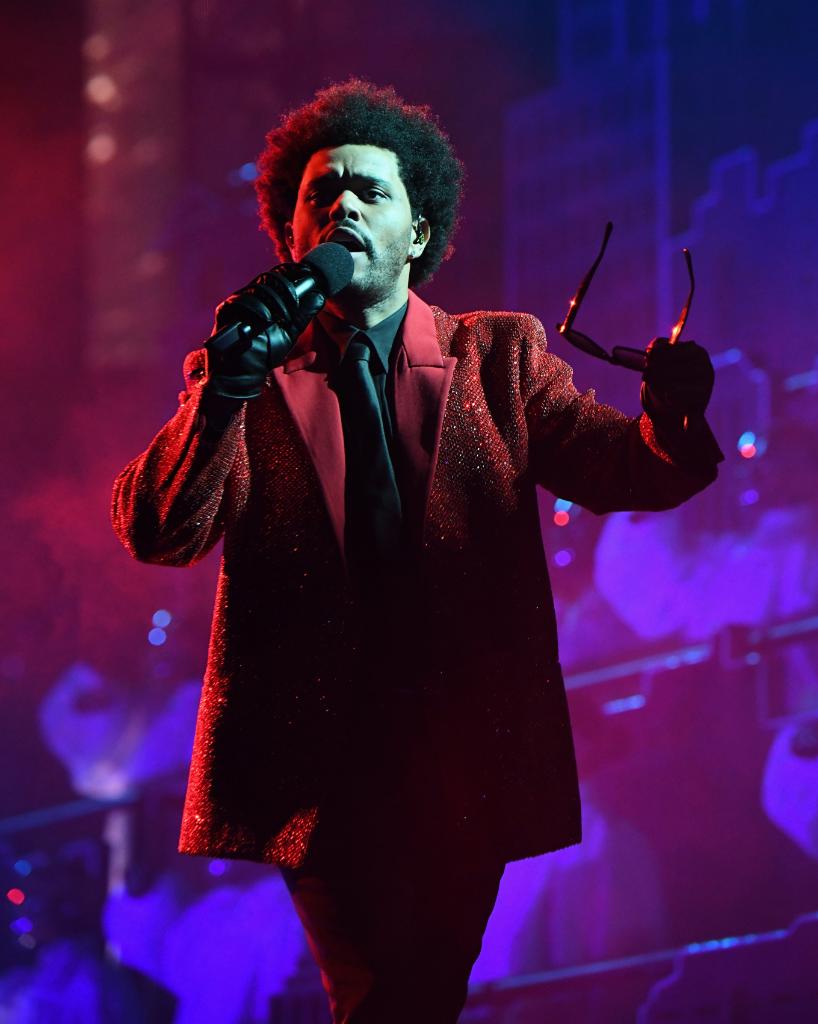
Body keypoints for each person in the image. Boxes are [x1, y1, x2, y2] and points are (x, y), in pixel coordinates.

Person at [112, 79, 723, 1023]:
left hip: (462, 753)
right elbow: (159, 530)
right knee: (380, 993)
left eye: (370, 190)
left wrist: (673, 416)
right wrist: (224, 387)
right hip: (316, 766)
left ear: (418, 233)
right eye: (320, 194)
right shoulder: (246, 375)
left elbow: (626, 470)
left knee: (414, 996)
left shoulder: (498, 358)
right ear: (291, 236)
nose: (342, 206)